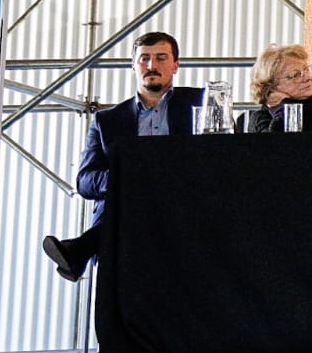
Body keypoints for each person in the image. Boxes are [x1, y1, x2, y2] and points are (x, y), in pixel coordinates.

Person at [41, 31, 203, 282]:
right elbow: (85, 181)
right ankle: (83, 248)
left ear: (175, 65)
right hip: (126, 229)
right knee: (135, 185)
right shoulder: (106, 120)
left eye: (161, 58)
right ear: (133, 66)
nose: (152, 66)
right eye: (144, 59)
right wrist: (123, 178)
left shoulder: (200, 103)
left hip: (181, 216)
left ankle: (81, 249)